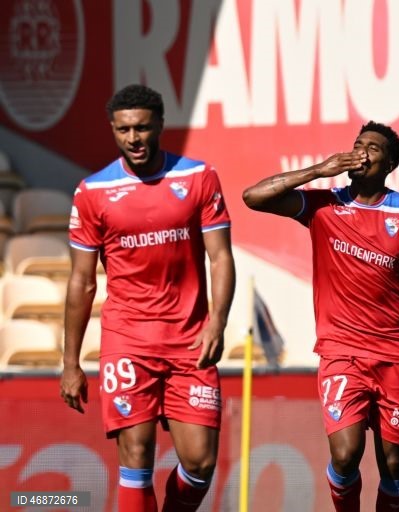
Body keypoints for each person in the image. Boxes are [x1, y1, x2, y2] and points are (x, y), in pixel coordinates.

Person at [242, 121, 399, 512]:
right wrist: (317, 171)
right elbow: (253, 197)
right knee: (346, 455)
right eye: (358, 144)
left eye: (374, 149)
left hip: (394, 354)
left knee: (394, 464)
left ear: (391, 164)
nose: (362, 152)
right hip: (341, 352)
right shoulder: (324, 206)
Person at [60, 84, 236, 512]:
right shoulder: (92, 192)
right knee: (136, 457)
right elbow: (81, 282)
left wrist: (218, 321)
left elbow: (220, 257)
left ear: (159, 125)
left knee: (200, 463)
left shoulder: (197, 177)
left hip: (190, 341)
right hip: (127, 341)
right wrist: (70, 362)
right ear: (113, 130)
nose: (133, 138)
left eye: (142, 127)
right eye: (124, 130)